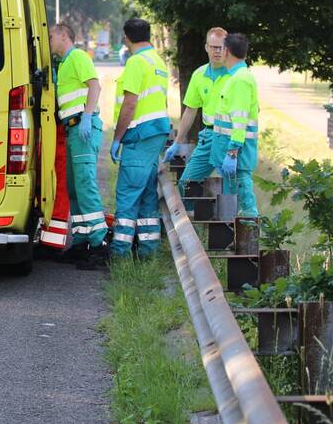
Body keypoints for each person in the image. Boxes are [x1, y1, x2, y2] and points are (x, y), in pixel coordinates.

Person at [109, 18, 171, 258]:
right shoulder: (157, 61)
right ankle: (147, 252)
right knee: (146, 194)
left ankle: (120, 253)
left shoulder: (136, 62)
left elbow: (130, 103)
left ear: (126, 38)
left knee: (128, 193)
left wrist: (117, 138)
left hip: (139, 134)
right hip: (155, 134)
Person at [49, 23, 108, 269]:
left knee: (85, 186)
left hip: (83, 128)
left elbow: (94, 86)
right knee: (73, 187)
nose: (49, 41)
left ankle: (100, 245)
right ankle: (82, 241)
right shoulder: (62, 64)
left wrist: (87, 115)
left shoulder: (78, 56)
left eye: (51, 36)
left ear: (64, 36)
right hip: (72, 129)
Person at [163, 27, 231, 206]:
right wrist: (177, 142)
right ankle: (190, 224)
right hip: (208, 136)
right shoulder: (199, 75)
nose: (218, 51)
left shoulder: (236, 75)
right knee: (187, 183)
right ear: (206, 48)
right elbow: (190, 110)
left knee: (232, 186)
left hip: (230, 137)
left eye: (221, 47)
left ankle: (231, 224)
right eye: (214, 47)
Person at [211, 33, 260, 218]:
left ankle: (247, 237)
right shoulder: (236, 77)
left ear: (227, 51)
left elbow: (239, 119)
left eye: (220, 48)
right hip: (231, 151)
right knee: (233, 199)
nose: (218, 52)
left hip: (235, 152)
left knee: (245, 202)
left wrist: (232, 152)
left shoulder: (240, 80)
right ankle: (234, 236)